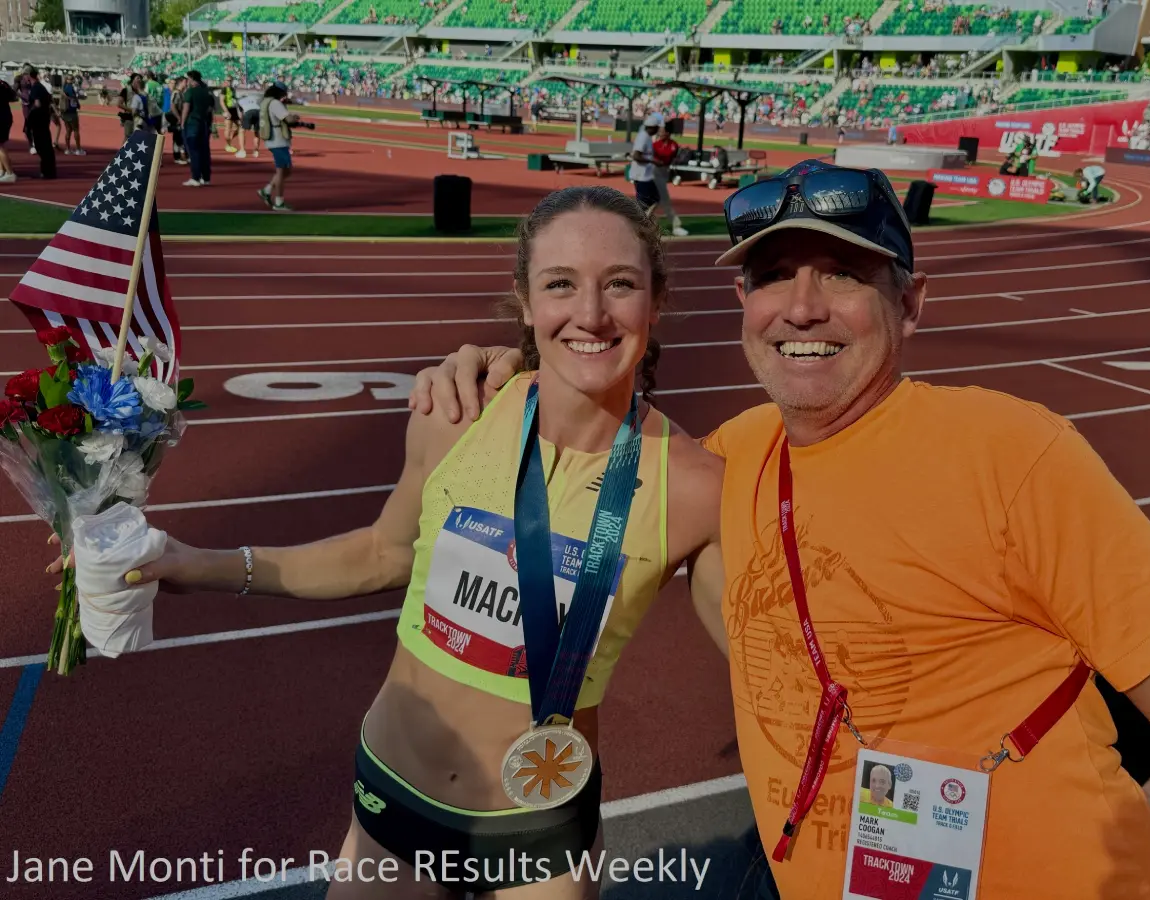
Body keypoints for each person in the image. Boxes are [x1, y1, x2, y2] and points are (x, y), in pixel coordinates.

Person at [409, 159, 1150, 899]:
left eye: (842, 273)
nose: (801, 307)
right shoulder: (726, 460)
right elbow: (575, 456)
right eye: (771, 276)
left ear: (910, 303)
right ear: (744, 305)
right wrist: (502, 376)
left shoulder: (1013, 451)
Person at [77, 185, 724, 898]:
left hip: (540, 831)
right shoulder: (457, 414)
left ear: (655, 302)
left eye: (621, 284)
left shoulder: (696, 488)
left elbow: (766, 658)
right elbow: (383, 553)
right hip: (396, 805)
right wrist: (193, 565)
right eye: (560, 284)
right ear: (524, 299)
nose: (591, 314)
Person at [257, 82, 299, 210]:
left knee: (287, 170)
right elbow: (287, 119)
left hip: (273, 139)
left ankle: (267, 190)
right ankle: (279, 202)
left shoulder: (266, 101)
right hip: (278, 140)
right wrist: (294, 117)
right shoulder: (275, 103)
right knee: (281, 171)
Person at [177, 69, 213, 187]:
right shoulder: (206, 92)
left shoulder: (190, 92)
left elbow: (186, 108)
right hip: (204, 123)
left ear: (191, 79)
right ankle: (206, 177)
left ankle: (195, 177)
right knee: (204, 151)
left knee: (194, 151)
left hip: (192, 123)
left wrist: (182, 122)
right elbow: (210, 109)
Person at [19, 67, 55, 179]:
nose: (24, 78)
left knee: (42, 146)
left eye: (25, 75)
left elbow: (37, 104)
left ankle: (47, 172)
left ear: (29, 75)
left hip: (39, 120)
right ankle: (48, 171)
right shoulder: (40, 87)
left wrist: (30, 116)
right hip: (43, 119)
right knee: (45, 146)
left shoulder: (36, 88)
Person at [628, 112, 662, 215]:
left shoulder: (646, 137)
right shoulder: (643, 137)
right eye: (657, 127)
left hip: (646, 175)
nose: (658, 130)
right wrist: (653, 161)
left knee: (655, 198)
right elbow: (636, 156)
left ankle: (645, 219)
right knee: (644, 203)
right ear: (653, 127)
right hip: (641, 175)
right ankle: (639, 223)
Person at [0, 74, 17, 183]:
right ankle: (2, 170)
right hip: (5, 115)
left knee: (0, 146)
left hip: (0, 116)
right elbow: (13, 97)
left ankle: (10, 173)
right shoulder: (3, 84)